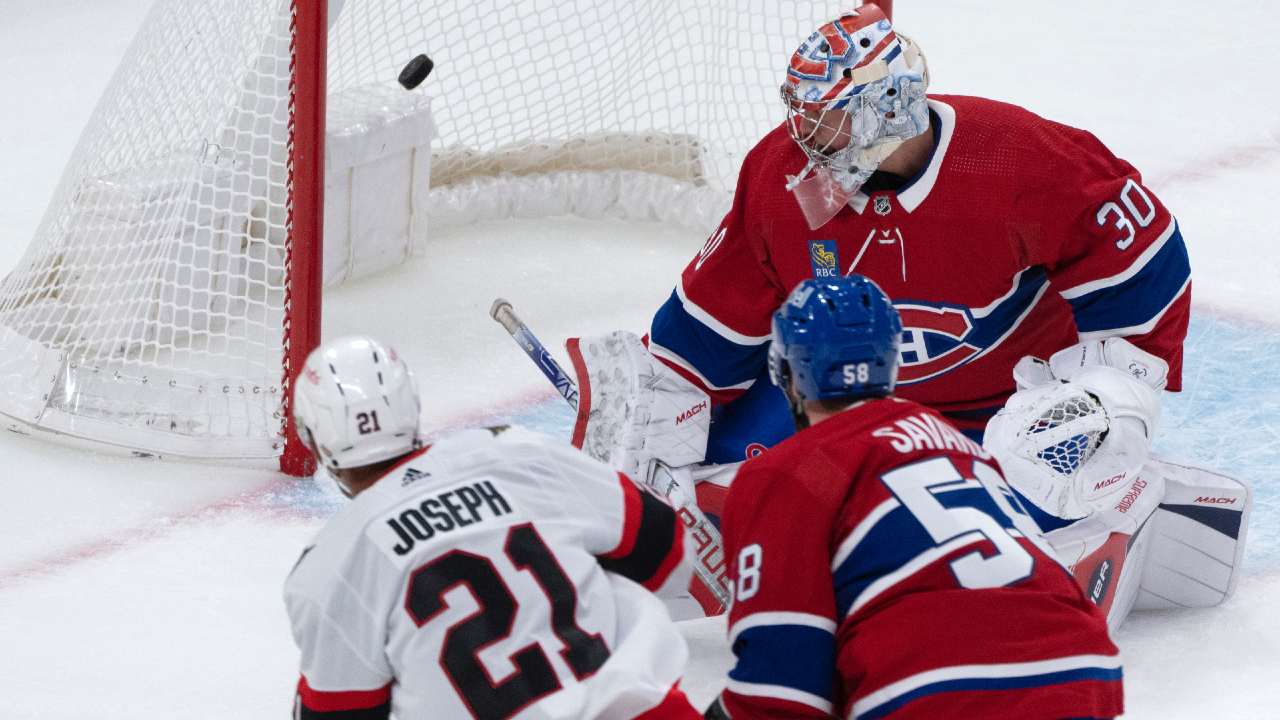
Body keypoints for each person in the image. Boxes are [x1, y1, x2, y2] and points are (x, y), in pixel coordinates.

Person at [562, 4, 1229, 622]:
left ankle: (1119, 507)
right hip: (847, 403)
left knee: (1031, 497)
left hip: (1004, 415)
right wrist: (659, 407)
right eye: (802, 112)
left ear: (891, 107)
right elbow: (715, 313)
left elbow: (1140, 254)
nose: (805, 134)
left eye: (827, 115)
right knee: (715, 469)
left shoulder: (1015, 157)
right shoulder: (783, 177)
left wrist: (1115, 388)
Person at [705, 276, 1123, 720]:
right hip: (1084, 668)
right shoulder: (959, 446)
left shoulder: (786, 470)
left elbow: (779, 692)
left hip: (938, 689)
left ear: (788, 373)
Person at [283, 335, 701, 720]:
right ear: (409, 403)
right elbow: (669, 553)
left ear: (314, 439)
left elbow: (340, 713)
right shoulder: (516, 452)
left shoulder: (327, 567)